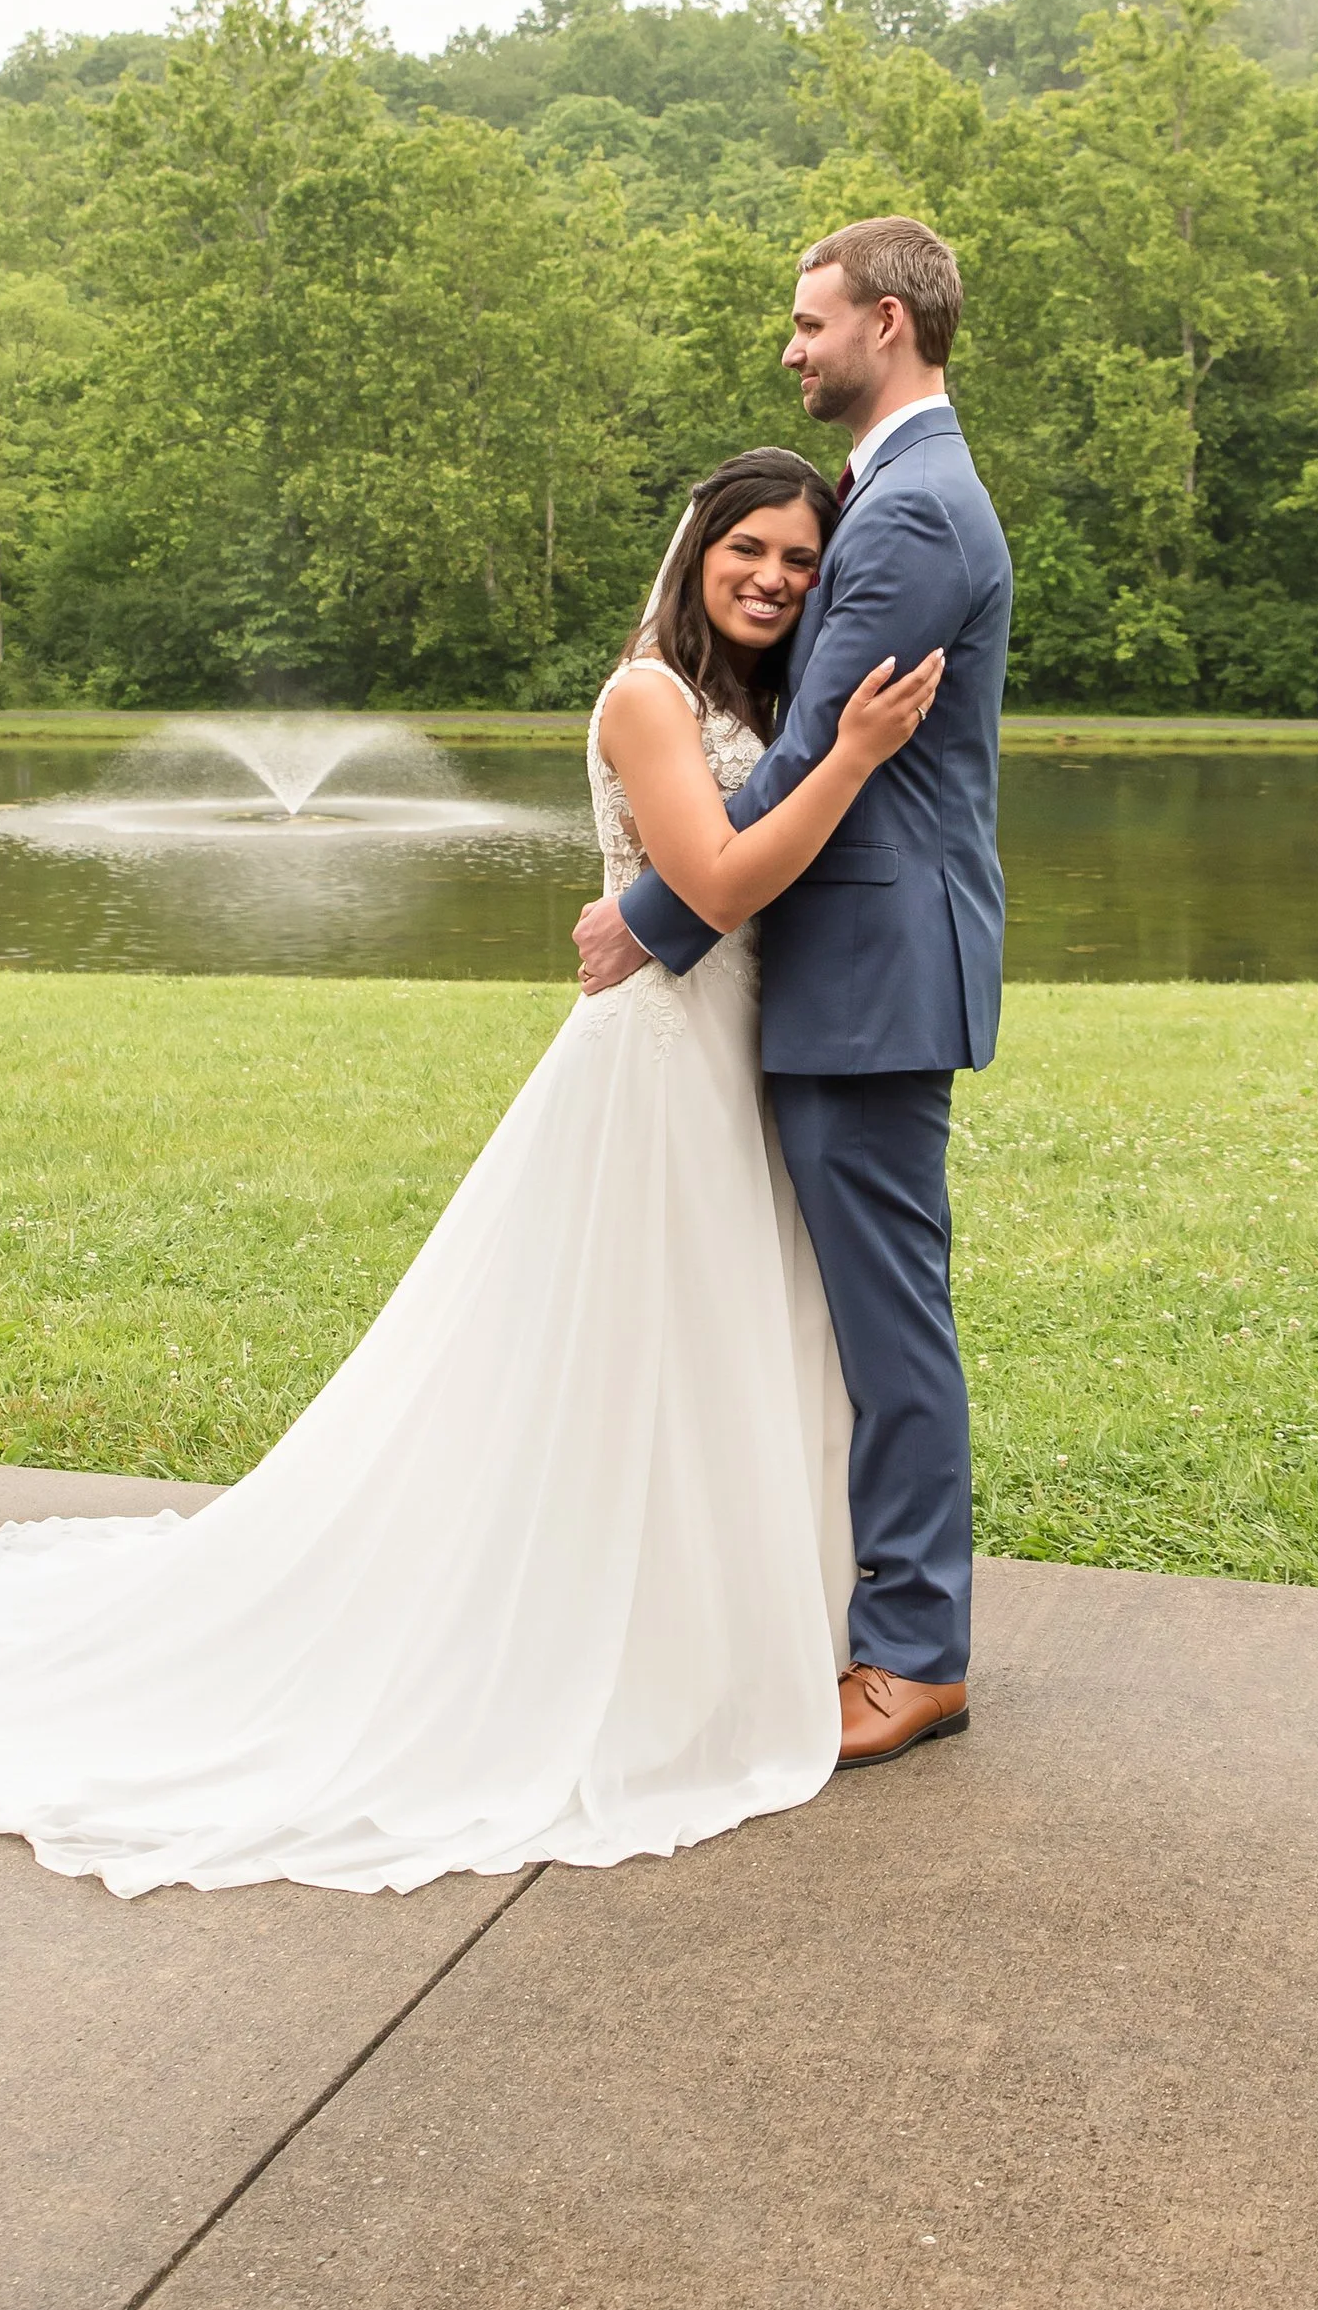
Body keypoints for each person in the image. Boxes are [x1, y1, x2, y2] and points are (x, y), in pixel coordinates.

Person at [0, 453, 940, 1897]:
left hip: (744, 1061)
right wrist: (851, 758)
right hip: (658, 1072)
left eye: (802, 561)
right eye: (752, 550)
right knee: (618, 1360)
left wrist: (816, 763)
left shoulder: (764, 703)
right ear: (697, 552)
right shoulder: (647, 697)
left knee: (723, 1347)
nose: (777, 580)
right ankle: (588, 1645)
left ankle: (718, 1624)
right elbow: (720, 884)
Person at [575, 218, 1012, 1768]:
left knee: (889, 1324)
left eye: (809, 321)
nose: (791, 346)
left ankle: (913, 1651)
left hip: (869, 977)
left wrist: (651, 911)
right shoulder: (891, 495)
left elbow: (822, 750)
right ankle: (822, 1607)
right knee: (828, 1315)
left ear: (884, 323)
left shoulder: (904, 517)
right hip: (843, 973)